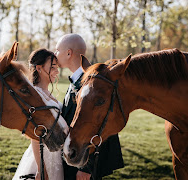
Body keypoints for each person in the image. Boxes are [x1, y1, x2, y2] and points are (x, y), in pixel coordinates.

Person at [55, 34, 124, 180]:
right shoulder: (76, 79)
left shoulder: (91, 85)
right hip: (73, 155)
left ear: (69, 53)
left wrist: (86, 167)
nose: (55, 55)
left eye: (57, 50)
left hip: (83, 163)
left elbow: (101, 123)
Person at [13, 48, 64, 180]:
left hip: (57, 156)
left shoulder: (47, 93)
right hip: (42, 159)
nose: (57, 71)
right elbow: (35, 134)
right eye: (52, 67)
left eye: (57, 67)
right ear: (39, 68)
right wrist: (41, 169)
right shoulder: (35, 95)